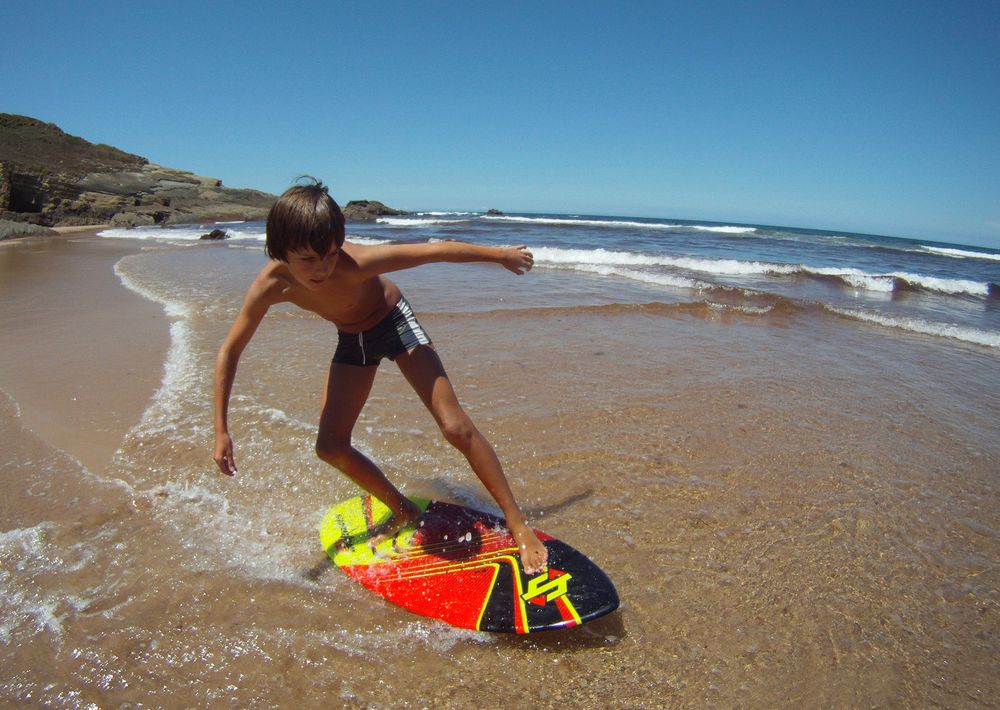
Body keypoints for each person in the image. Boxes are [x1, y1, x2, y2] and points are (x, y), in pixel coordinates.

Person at [212, 179, 549, 575]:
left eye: (330, 255)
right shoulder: (270, 287)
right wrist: (221, 429)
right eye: (307, 259)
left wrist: (501, 254)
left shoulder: (356, 263)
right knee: (330, 446)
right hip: (354, 339)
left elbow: (433, 251)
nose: (321, 268)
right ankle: (402, 508)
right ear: (279, 250)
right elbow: (230, 350)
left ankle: (516, 522)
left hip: (395, 323)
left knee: (455, 426)